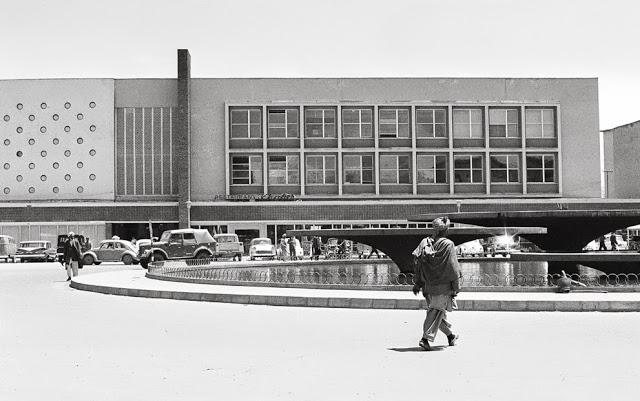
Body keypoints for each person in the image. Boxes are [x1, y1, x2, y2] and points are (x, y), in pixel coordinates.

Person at [412, 216, 462, 351]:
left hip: (428, 286)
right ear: (445, 230)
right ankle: (425, 339)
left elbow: (417, 264)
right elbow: (453, 267)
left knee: (438, 313)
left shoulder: (425, 242)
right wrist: (456, 286)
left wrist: (417, 283)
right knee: (435, 312)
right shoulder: (448, 244)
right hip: (442, 286)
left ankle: (451, 336)